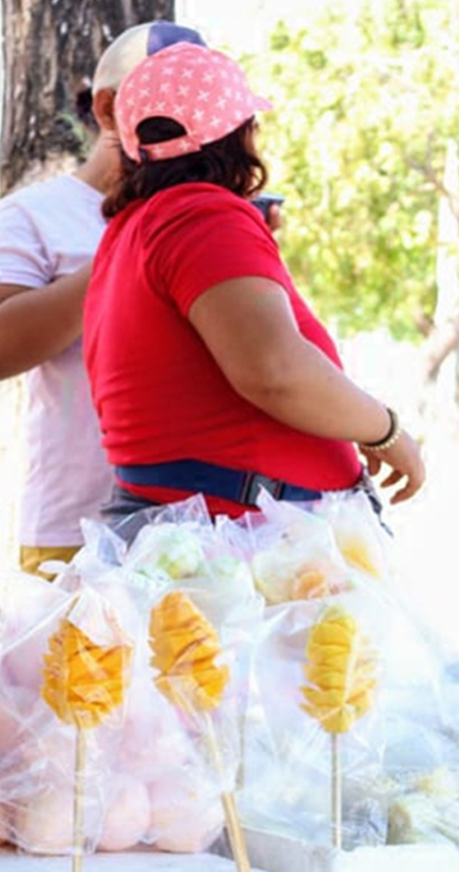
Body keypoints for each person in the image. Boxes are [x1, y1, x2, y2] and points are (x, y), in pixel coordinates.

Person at [82, 43, 425, 524]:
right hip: (236, 546)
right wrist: (387, 431)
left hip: (198, 535)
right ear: (237, 133)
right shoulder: (202, 217)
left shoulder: (135, 227)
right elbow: (275, 372)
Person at [0, 20, 214, 577]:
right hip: (73, 530)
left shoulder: (206, 218)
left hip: (197, 526)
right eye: (165, 107)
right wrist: (128, 256)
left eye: (201, 108)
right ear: (106, 110)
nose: (190, 126)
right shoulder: (33, 214)